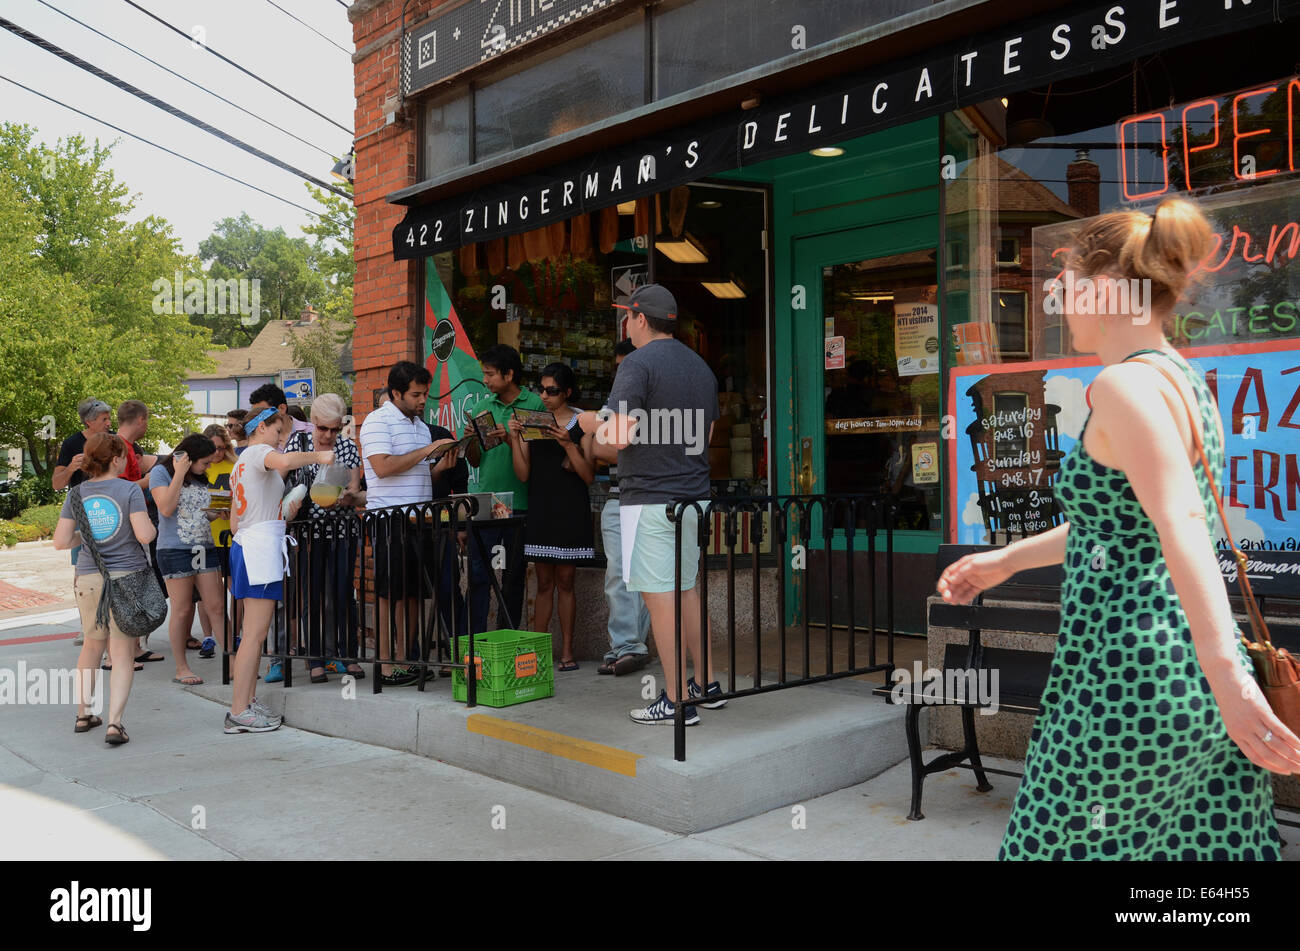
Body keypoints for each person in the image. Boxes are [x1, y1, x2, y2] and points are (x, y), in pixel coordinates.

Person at [938, 198, 1300, 860]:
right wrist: (1004, 561)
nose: (1060, 302)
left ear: (1106, 287)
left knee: (1053, 848)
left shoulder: (1122, 388)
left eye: (1067, 284)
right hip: (1178, 678)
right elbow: (1119, 525)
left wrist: (1231, 677)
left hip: (1122, 676)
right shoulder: (1184, 382)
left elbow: (1180, 520)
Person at [576, 284, 722, 725]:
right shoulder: (701, 367)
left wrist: (590, 423)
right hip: (694, 499)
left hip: (650, 501)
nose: (625, 323)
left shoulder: (637, 365)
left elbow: (617, 439)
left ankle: (677, 702)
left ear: (640, 318)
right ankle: (707, 686)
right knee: (687, 592)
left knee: (661, 602)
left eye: (627, 316)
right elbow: (708, 438)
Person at [225, 408, 332, 733]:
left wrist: (281, 510)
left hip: (250, 545)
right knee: (255, 636)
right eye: (278, 431)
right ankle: (238, 711)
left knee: (254, 636)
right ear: (260, 429)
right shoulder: (259, 451)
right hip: (259, 550)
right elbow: (284, 462)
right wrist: (320, 456)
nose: (281, 438)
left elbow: (234, 522)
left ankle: (247, 701)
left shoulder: (240, 462)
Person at [52, 433, 157, 745]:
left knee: (91, 647)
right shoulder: (128, 491)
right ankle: (114, 724)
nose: (127, 459)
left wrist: (85, 539)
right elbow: (144, 534)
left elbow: (61, 541)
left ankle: (83, 714)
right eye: (124, 455)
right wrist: (150, 527)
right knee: (122, 654)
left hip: (88, 578)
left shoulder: (78, 494)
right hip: (125, 578)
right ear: (115, 459)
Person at [359, 362, 458, 686]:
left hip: (420, 520)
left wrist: (440, 466)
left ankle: (408, 659)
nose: (422, 400)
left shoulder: (420, 426)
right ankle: (386, 666)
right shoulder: (376, 421)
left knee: (414, 593)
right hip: (389, 519)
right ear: (396, 393)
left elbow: (417, 471)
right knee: (390, 594)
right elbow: (383, 467)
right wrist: (427, 450)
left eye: (425, 394)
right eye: (416, 394)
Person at [509, 362, 595, 671]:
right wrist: (514, 440)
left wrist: (567, 445)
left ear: (568, 392)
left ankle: (567, 652)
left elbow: (588, 475)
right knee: (544, 581)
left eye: (553, 391)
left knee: (566, 580)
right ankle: (536, 652)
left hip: (571, 507)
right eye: (541, 389)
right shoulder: (533, 421)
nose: (545, 396)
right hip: (542, 505)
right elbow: (522, 474)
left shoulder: (581, 422)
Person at [284, 393, 365, 682]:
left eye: (334, 428)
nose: (329, 435)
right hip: (307, 531)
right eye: (322, 428)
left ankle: (348, 654)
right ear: (313, 423)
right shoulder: (299, 442)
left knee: (344, 594)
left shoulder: (347, 446)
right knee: (312, 596)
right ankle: (315, 657)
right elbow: (285, 477)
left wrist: (348, 495)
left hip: (341, 529)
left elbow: (355, 488)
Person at [468, 345, 546, 634]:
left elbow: (536, 458)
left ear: (509, 374)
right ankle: (473, 641)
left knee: (513, 577)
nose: (485, 381)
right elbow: (475, 459)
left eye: (489, 374)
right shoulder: (480, 408)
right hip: (487, 499)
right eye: (484, 374)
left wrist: (509, 439)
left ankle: (508, 637)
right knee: (478, 574)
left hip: (521, 500)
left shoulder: (534, 405)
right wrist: (472, 442)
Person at [587, 338, 652, 676]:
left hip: (651, 497)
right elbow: (601, 449)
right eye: (619, 366)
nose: (622, 372)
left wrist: (619, 443)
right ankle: (628, 646)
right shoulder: (614, 403)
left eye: (627, 365)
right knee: (618, 574)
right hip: (618, 496)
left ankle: (634, 646)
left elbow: (612, 444)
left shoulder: (656, 401)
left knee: (647, 576)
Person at [149, 433, 224, 687]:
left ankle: (233, 661)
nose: (208, 467)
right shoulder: (162, 473)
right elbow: (167, 509)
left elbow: (195, 512)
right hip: (175, 549)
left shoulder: (201, 477)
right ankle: (182, 667)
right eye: (204, 462)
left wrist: (217, 513)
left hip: (203, 546)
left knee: (215, 605)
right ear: (188, 459)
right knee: (182, 610)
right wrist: (179, 473)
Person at [197, 423, 236, 657]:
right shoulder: (200, 468)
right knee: (207, 591)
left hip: (230, 535)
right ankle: (208, 636)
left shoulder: (234, 465)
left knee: (235, 588)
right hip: (206, 536)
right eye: (213, 448)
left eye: (222, 448)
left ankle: (234, 633)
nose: (217, 453)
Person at [53, 398, 112, 492]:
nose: (109, 423)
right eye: (104, 419)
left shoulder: (116, 439)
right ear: (89, 421)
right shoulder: (71, 443)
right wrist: (71, 468)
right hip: (83, 502)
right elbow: (56, 485)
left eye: (109, 419)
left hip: (113, 500)